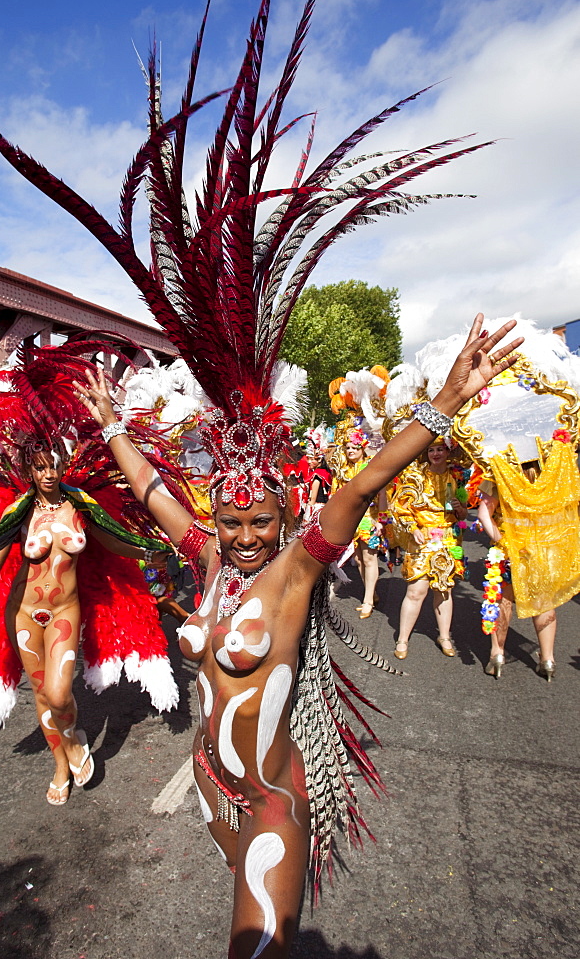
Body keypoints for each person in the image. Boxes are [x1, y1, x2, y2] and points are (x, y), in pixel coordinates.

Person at [76, 315, 521, 957]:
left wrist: (448, 400)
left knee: (253, 946)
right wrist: (113, 426)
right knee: (247, 906)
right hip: (209, 778)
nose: (245, 537)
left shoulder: (294, 573)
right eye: (231, 522)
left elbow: (365, 482)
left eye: (260, 521)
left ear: (284, 516)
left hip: (269, 801)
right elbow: (152, 495)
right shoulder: (208, 560)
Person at [0, 440, 173, 804]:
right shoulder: (18, 512)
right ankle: (61, 765)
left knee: (60, 692)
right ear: (29, 471)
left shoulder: (81, 505)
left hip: (65, 610)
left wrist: (147, 553)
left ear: (62, 465)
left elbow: (114, 542)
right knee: (43, 694)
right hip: (24, 614)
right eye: (39, 467)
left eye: (53, 466)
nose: (48, 474)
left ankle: (74, 738)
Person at [476, 444, 580, 680]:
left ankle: (497, 654)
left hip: (512, 550)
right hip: (544, 550)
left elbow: (484, 514)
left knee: (503, 600)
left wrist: (502, 542)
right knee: (544, 601)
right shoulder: (553, 474)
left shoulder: (501, 472)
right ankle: (548, 660)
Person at [390, 439, 468, 659]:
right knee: (416, 591)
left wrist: (461, 510)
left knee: (444, 590)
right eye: (431, 449)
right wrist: (412, 528)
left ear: (448, 451)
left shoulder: (457, 478)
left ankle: (444, 636)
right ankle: (403, 639)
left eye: (440, 449)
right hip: (422, 539)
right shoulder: (415, 477)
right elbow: (400, 509)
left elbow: (462, 516)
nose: (435, 453)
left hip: (448, 540)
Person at [330, 427, 384, 618]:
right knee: (359, 559)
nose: (351, 451)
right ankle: (373, 593)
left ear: (363, 448)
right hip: (350, 521)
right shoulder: (342, 470)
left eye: (355, 447)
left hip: (369, 519)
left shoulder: (371, 467)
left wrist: (381, 519)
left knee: (369, 559)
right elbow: (335, 496)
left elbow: (383, 493)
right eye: (348, 448)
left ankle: (368, 600)